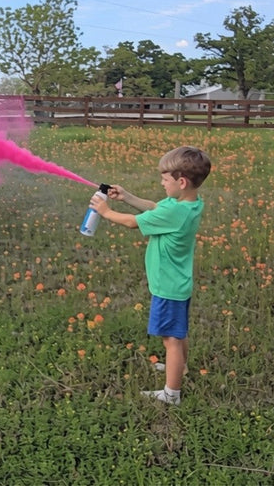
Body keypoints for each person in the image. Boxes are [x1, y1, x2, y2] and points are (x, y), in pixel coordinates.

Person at [89, 146, 211, 405]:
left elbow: (133, 223)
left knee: (171, 340)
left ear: (181, 182)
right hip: (179, 283)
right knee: (179, 333)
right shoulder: (188, 203)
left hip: (167, 286)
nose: (161, 183)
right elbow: (155, 207)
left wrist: (106, 212)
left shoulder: (175, 212)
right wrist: (128, 196)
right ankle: (181, 369)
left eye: (165, 180)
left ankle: (171, 394)